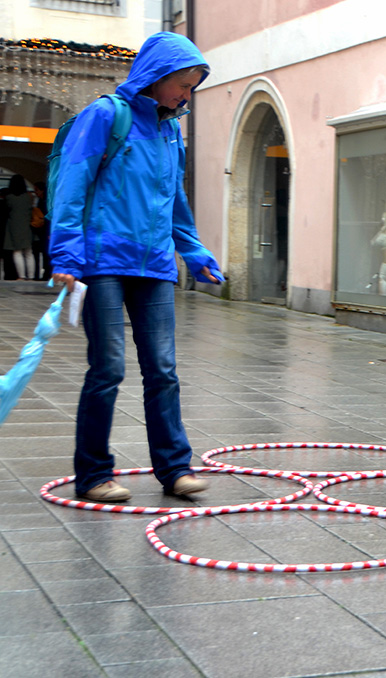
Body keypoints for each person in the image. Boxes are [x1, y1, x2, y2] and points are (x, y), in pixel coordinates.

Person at [49, 32, 223, 503]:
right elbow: (72, 184)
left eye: (193, 87)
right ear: (158, 75)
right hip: (102, 262)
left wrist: (194, 252)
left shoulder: (171, 130)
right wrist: (65, 256)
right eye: (183, 85)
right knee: (107, 368)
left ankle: (175, 469)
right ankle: (93, 475)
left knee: (163, 369)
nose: (187, 96)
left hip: (154, 266)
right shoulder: (106, 115)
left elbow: (175, 199)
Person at [5, 175, 35, 280]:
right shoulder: (29, 197)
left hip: (13, 226)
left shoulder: (9, 197)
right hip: (27, 226)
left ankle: (21, 276)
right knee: (28, 252)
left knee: (17, 251)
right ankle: (31, 276)